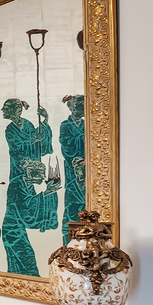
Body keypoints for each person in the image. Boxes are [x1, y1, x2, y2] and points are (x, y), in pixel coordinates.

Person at [0, 97, 60, 275]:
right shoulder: (9, 129)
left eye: (17, 108)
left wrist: (45, 122)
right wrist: (34, 140)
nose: (15, 112)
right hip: (19, 168)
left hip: (28, 168)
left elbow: (41, 145)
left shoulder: (27, 124)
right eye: (12, 109)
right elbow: (16, 148)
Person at [60, 94, 86, 240]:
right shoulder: (65, 125)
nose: (80, 109)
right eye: (77, 106)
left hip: (86, 165)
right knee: (72, 200)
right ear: (70, 107)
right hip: (72, 167)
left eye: (82, 106)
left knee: (85, 199)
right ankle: (69, 240)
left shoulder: (87, 124)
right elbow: (66, 144)